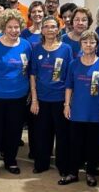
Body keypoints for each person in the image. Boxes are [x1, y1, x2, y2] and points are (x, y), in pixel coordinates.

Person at [0, 9, 32, 180]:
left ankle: (10, 161)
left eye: (17, 27)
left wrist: (31, 92)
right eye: (10, 27)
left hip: (18, 97)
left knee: (14, 132)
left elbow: (29, 71)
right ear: (4, 27)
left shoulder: (26, 45)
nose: (14, 30)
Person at [62, 30, 99, 186]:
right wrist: (66, 105)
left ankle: (90, 173)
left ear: (97, 44)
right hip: (77, 110)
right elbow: (69, 86)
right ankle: (72, 173)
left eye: (92, 42)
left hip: (96, 110)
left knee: (93, 144)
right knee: (74, 143)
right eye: (85, 42)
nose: (88, 45)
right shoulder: (73, 64)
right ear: (80, 44)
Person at [30, 16, 72, 174]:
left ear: (58, 29)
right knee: (42, 133)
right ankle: (41, 164)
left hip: (60, 98)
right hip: (41, 98)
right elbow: (33, 74)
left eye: (53, 26)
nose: (49, 29)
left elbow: (69, 75)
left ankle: (63, 165)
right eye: (46, 26)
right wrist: (34, 99)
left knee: (62, 134)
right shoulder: (36, 48)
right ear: (42, 30)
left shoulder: (66, 49)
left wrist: (68, 102)